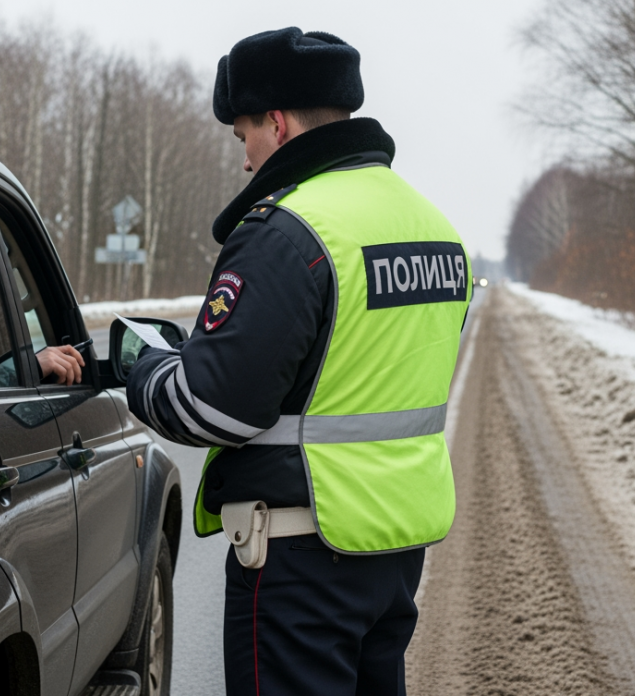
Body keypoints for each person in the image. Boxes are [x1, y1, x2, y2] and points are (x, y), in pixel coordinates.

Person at [125, 28, 471, 696]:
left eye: (244, 135)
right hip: (394, 548)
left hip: (298, 558)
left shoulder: (289, 230)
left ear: (276, 124)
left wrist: (147, 368)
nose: (246, 160)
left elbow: (213, 404)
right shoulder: (433, 227)